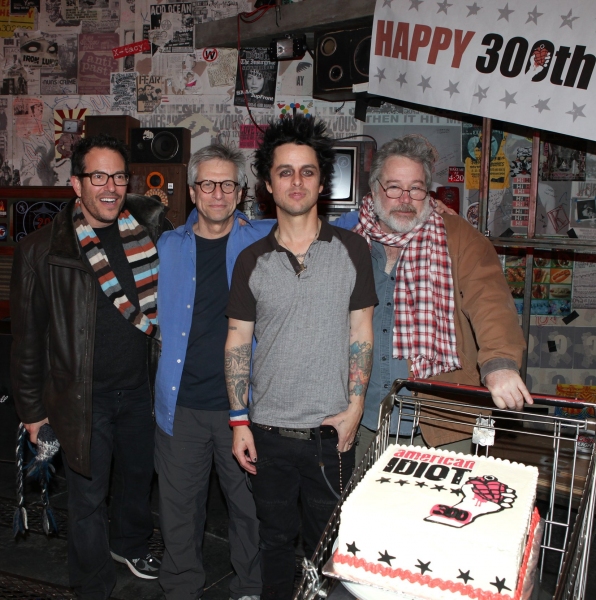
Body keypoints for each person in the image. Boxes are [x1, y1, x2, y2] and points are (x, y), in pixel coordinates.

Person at [225, 116, 377, 599]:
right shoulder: (251, 259)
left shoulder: (353, 249)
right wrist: (239, 421)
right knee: (272, 544)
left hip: (330, 433)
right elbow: (235, 343)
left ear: (321, 181)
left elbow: (361, 332)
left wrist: (354, 409)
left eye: (307, 171)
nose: (297, 181)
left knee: (328, 550)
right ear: (268, 184)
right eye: (285, 172)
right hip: (266, 433)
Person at [10, 133, 165, 599]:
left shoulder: (150, 231)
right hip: (81, 399)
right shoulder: (41, 251)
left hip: (141, 389)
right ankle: (92, 584)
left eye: (119, 176)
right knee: (87, 500)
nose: (111, 187)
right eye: (98, 176)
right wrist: (34, 413)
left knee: (139, 480)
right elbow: (27, 341)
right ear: (76, 184)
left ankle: (130, 545)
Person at [334, 136, 532, 462]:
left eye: (416, 188)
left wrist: (499, 365)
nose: (405, 199)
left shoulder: (458, 236)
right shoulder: (350, 244)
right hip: (364, 421)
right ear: (374, 189)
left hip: (442, 425)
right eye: (394, 187)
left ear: (428, 191)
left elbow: (491, 303)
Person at [154, 144, 268, 600]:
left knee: (249, 509)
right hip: (178, 407)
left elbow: (330, 224)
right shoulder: (166, 246)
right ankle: (180, 587)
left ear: (240, 192)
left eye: (227, 184)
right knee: (177, 510)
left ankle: (252, 587)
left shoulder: (263, 242)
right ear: (192, 190)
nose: (217, 193)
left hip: (242, 408)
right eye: (207, 183)